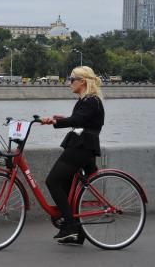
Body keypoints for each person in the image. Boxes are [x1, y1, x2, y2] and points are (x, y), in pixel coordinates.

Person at [41, 66, 104, 245]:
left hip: (82, 147)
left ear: (82, 81)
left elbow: (77, 121)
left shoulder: (91, 100)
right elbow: (79, 119)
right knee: (67, 188)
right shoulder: (87, 100)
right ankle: (77, 233)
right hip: (82, 145)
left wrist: (54, 121)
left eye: (72, 79)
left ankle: (71, 226)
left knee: (53, 181)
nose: (69, 83)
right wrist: (62, 119)